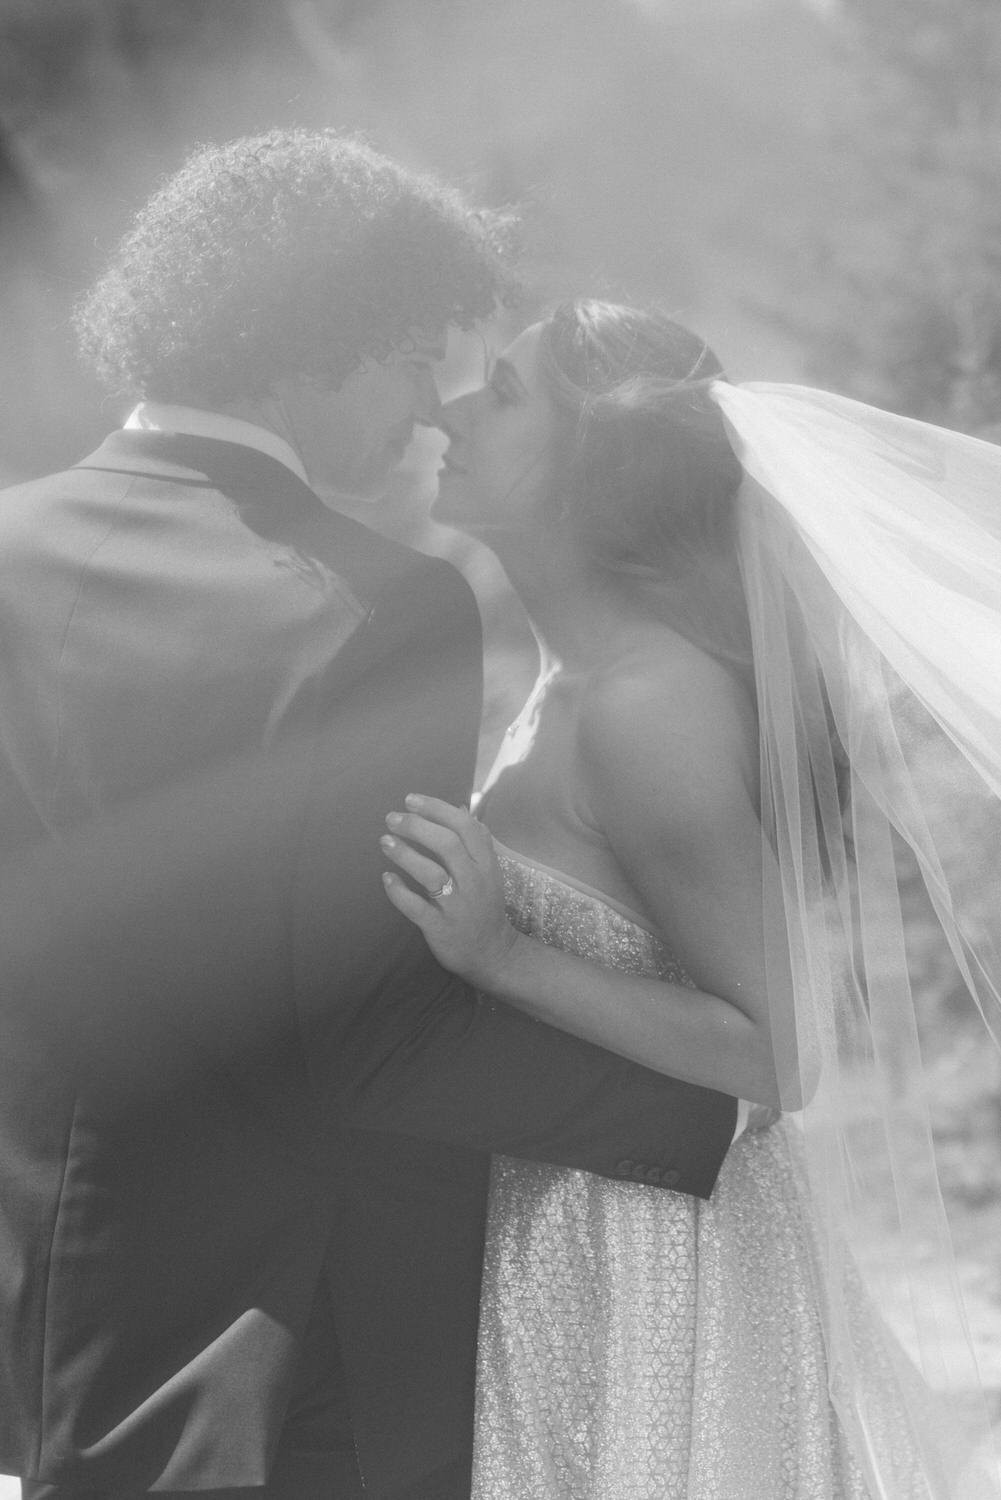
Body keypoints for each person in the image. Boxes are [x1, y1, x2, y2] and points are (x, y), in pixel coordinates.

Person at [0, 146, 743, 1500]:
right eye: (411, 358)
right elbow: (372, 1037)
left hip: (57, 1314)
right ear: (322, 340)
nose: (424, 409)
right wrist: (704, 1124)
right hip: (294, 1360)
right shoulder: (378, 605)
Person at [382, 299, 1001, 1497]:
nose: (448, 411)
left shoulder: (642, 707)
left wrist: (503, 954)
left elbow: (782, 1053)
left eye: (503, 395)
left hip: (658, 1269)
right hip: (581, 1238)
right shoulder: (580, 681)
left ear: (593, 464)